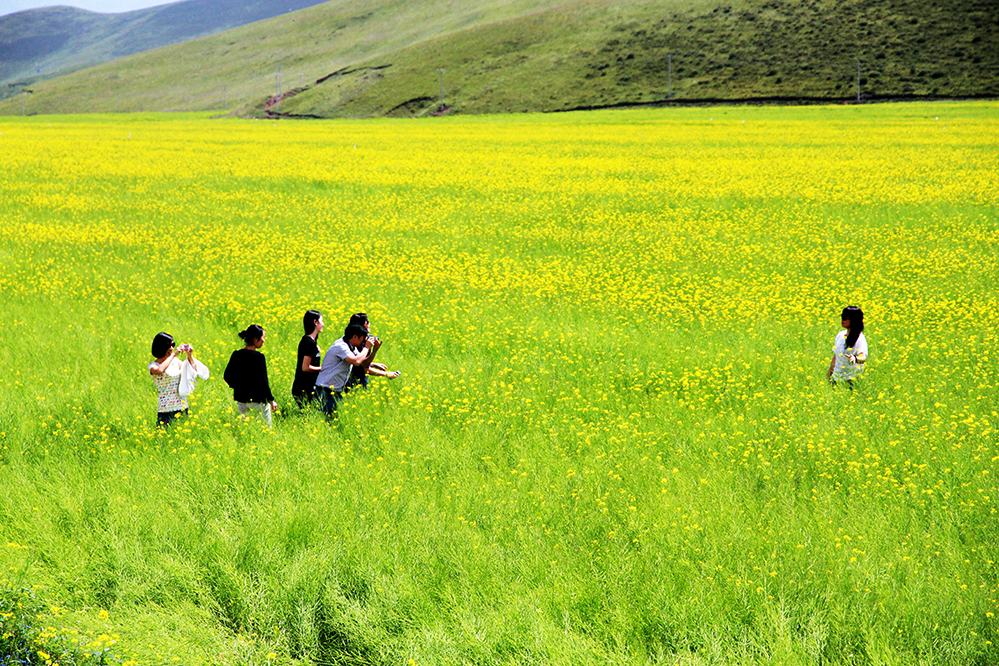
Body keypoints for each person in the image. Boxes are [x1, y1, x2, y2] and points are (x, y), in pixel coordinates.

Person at [314, 323, 376, 419]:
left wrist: (374, 350)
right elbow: (356, 361)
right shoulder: (341, 346)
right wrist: (366, 347)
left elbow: (363, 364)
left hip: (335, 393)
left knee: (338, 421)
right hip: (325, 392)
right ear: (355, 337)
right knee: (329, 422)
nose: (364, 342)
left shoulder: (351, 347)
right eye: (363, 339)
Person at [223, 324, 279, 427]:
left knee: (245, 428)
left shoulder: (236, 355)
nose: (264, 340)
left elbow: (227, 376)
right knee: (265, 430)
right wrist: (271, 400)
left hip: (242, 400)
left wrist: (238, 386)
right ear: (255, 339)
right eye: (263, 338)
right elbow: (264, 382)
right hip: (259, 401)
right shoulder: (259, 357)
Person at [149, 332, 207, 427]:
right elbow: (159, 370)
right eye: (169, 345)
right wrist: (174, 354)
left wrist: (190, 355)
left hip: (182, 406)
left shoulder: (176, 362)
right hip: (165, 409)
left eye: (173, 345)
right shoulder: (153, 365)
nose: (171, 348)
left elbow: (193, 370)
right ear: (161, 346)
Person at [344, 312, 401, 392]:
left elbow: (363, 364)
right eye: (367, 322)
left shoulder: (364, 341)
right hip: (352, 383)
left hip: (359, 381)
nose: (369, 324)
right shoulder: (356, 343)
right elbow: (363, 368)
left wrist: (373, 363)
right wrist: (386, 374)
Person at [828, 305, 868, 386]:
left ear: (854, 320)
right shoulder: (840, 335)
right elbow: (836, 357)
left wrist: (855, 358)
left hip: (852, 380)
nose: (842, 320)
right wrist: (829, 375)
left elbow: (863, 357)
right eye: (842, 316)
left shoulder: (860, 338)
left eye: (846, 318)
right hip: (837, 379)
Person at [292, 309, 324, 406]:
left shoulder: (311, 342)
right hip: (304, 388)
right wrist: (324, 369)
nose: (323, 324)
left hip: (306, 387)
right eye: (321, 321)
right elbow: (305, 367)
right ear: (315, 322)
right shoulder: (309, 342)